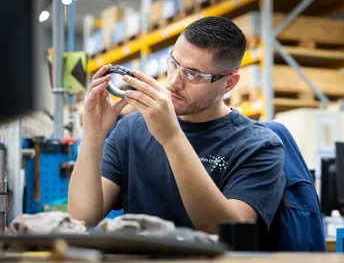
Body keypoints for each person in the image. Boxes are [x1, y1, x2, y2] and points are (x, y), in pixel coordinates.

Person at [68, 16, 286, 249]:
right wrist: (94, 134)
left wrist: (171, 138)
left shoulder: (259, 146)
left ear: (229, 84)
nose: (174, 82)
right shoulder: (131, 130)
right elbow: (82, 217)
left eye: (193, 74)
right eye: (173, 63)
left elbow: (228, 231)